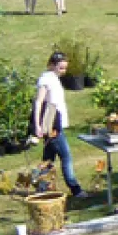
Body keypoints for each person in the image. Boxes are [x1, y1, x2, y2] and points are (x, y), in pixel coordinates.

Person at [31, 50, 84, 198]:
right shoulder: (46, 80)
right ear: (52, 65)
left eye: (65, 68)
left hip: (55, 122)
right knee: (66, 157)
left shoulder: (53, 78)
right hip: (51, 124)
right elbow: (39, 102)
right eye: (61, 68)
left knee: (48, 159)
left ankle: (41, 188)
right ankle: (76, 189)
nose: (63, 71)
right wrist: (38, 125)